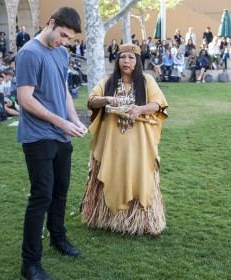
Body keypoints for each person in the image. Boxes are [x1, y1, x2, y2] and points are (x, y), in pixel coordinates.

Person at [15, 7, 87, 280]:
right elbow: (26, 99)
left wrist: (72, 120)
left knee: (60, 191)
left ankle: (58, 238)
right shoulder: (29, 53)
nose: (65, 42)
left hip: (61, 135)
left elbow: (64, 90)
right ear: (51, 23)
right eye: (63, 35)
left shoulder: (62, 52)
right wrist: (61, 122)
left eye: (69, 39)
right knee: (41, 196)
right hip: (37, 136)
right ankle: (30, 264)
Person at [81, 43, 168, 237]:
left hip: (139, 141)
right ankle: (107, 219)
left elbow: (157, 104)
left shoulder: (147, 81)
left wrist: (139, 109)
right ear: (117, 60)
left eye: (130, 57)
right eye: (122, 57)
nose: (126, 61)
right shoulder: (108, 81)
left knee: (141, 174)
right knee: (113, 171)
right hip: (112, 141)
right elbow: (91, 100)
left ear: (137, 61)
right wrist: (108, 99)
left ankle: (144, 222)